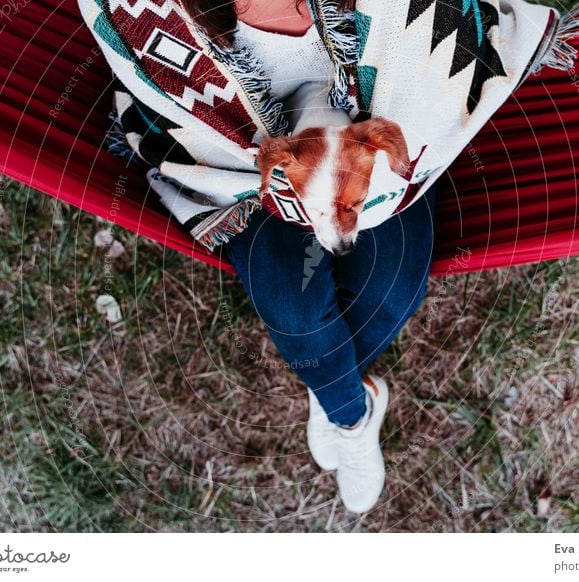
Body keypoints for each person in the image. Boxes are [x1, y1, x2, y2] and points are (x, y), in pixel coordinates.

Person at [184, 0, 436, 513]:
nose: (342, 231)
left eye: (350, 210)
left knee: (391, 290)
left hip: (379, 135)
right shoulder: (184, 16)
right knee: (295, 307)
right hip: (243, 166)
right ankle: (349, 413)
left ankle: (333, 388)